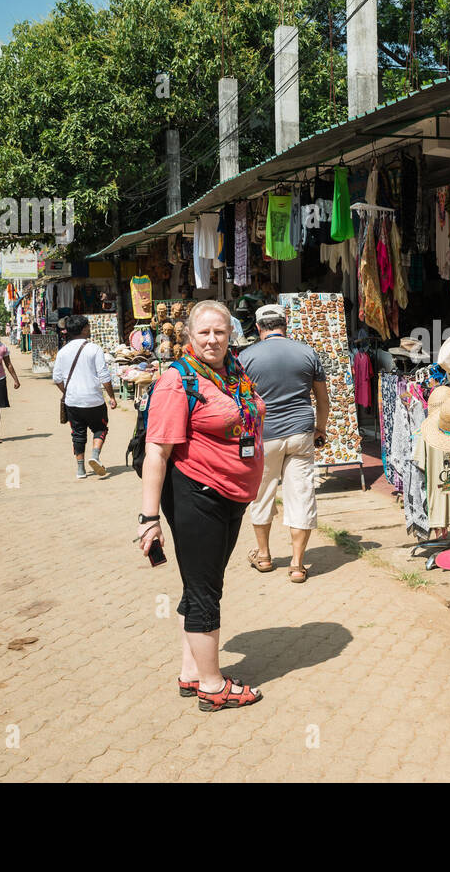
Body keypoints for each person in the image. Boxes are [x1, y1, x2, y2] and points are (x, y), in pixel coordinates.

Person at [139, 300, 266, 712]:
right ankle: (212, 687)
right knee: (205, 591)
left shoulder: (234, 372)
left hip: (232, 496)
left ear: (231, 334)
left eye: (221, 332)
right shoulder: (177, 380)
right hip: (198, 496)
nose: (213, 339)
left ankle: (191, 672)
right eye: (205, 332)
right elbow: (156, 453)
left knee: (200, 585)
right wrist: (148, 518)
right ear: (189, 335)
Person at [237, 303, 330, 583]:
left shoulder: (245, 357)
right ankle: (298, 565)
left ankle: (264, 556)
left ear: (258, 328)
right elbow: (323, 401)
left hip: (264, 435)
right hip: (301, 433)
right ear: (285, 324)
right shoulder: (307, 352)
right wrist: (320, 429)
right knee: (301, 495)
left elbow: (240, 402)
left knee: (262, 494)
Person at [52, 314, 116, 478]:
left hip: (72, 401)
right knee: (100, 428)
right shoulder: (94, 348)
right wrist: (111, 397)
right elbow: (104, 376)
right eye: (88, 326)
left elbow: (57, 379)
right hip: (93, 399)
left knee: (77, 433)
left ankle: (80, 470)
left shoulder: (63, 351)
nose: (90, 329)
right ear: (83, 329)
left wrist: (67, 392)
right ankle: (94, 456)